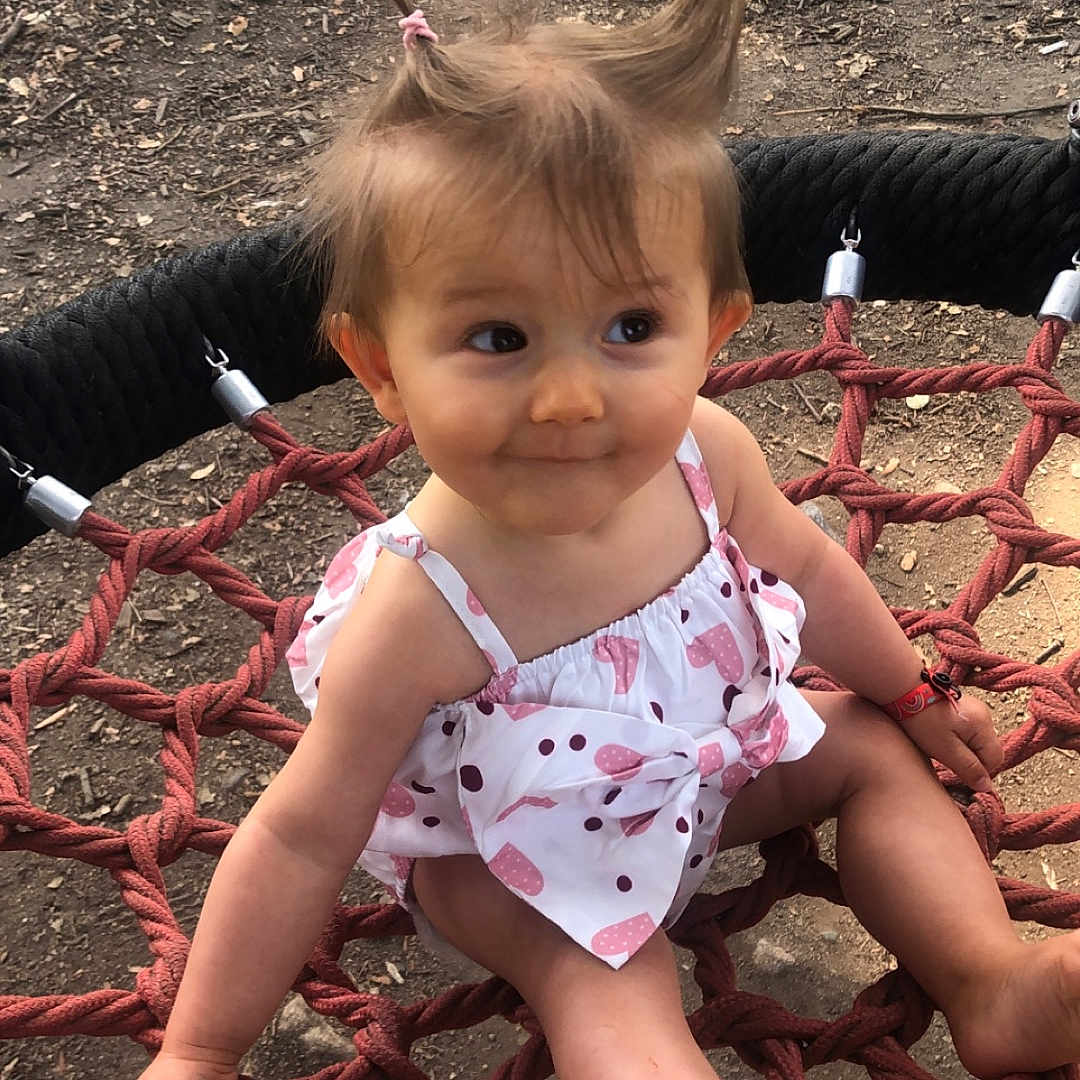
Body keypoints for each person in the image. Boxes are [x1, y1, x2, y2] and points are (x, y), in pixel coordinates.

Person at [139, 2, 1080, 1078]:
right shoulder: (420, 609)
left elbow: (812, 568)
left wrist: (909, 694)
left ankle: (990, 984)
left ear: (714, 330)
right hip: (523, 862)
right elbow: (300, 835)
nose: (572, 398)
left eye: (631, 329)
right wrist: (202, 1050)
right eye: (500, 338)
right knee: (608, 977)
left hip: (708, 766)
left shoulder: (703, 451)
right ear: (380, 367)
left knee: (867, 751)